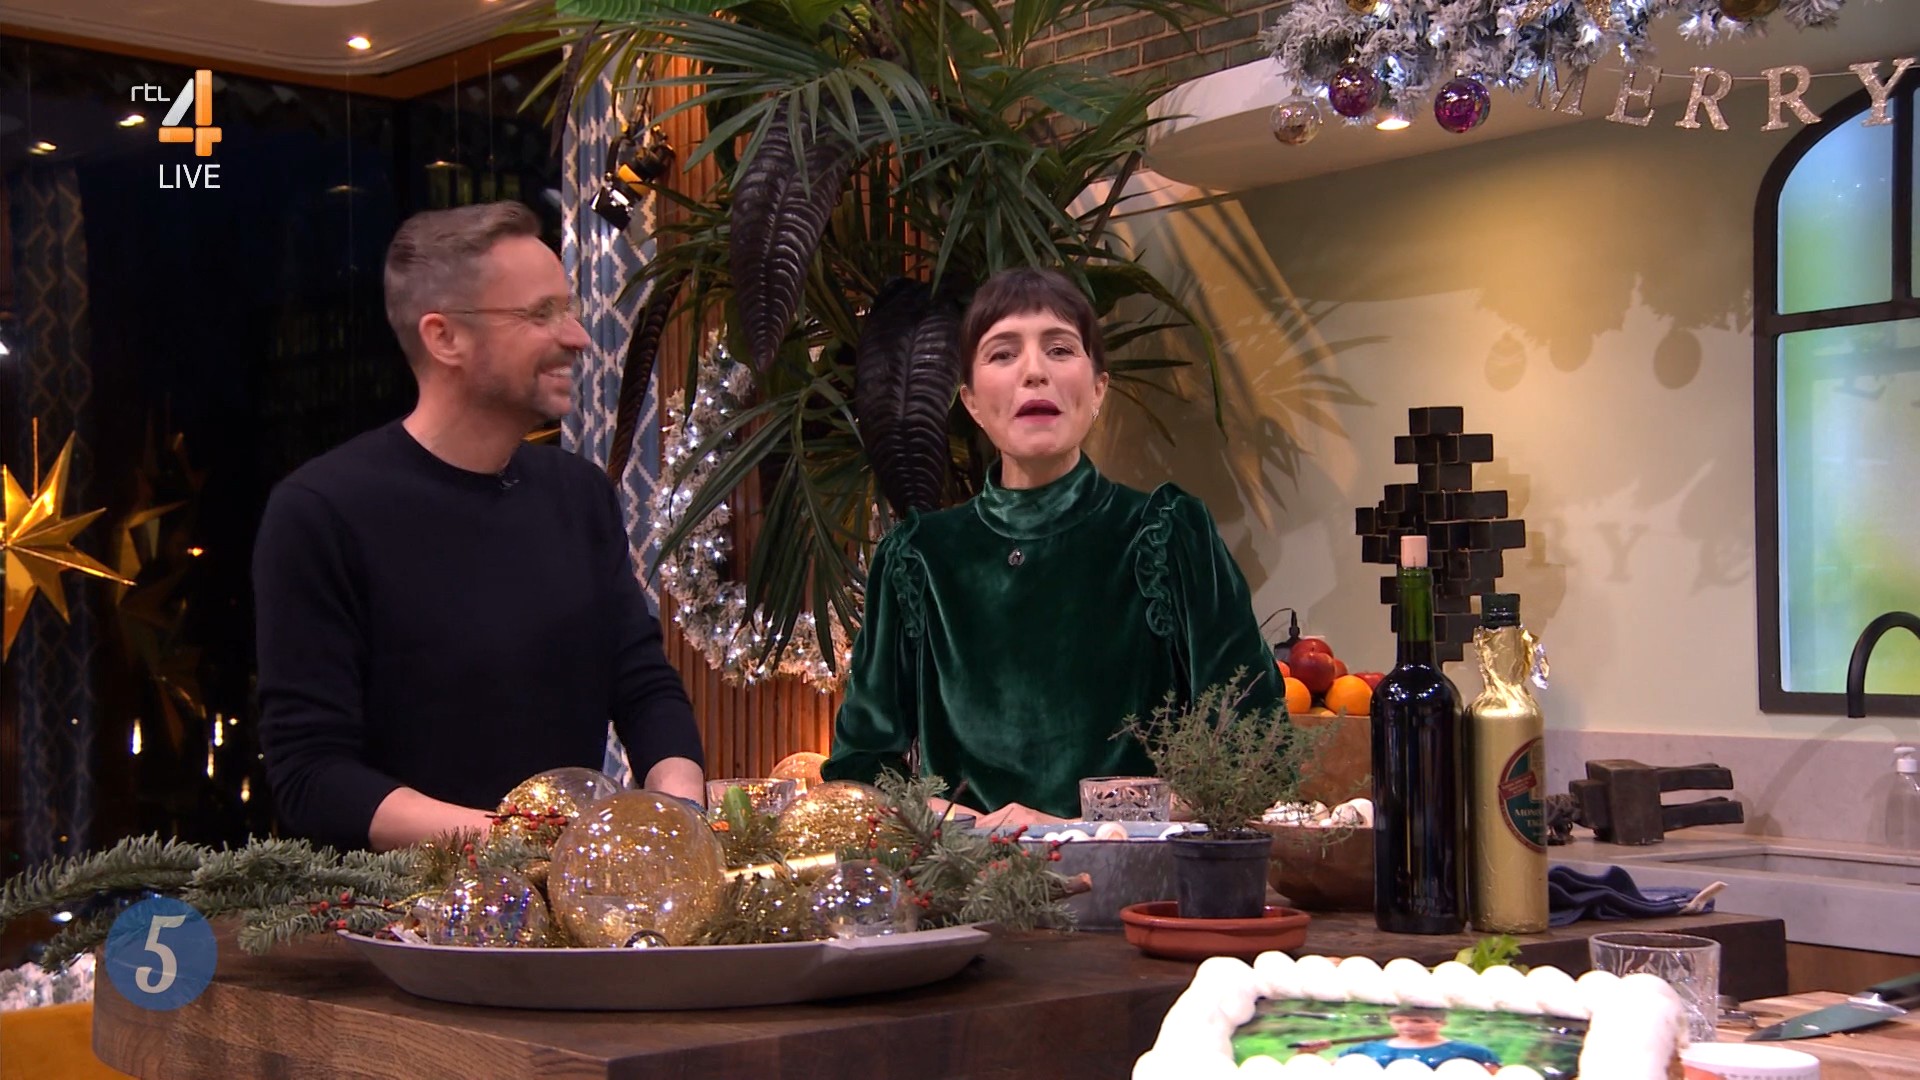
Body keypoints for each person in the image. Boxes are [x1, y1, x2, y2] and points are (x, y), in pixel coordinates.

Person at [254, 202, 704, 852]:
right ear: (445, 338)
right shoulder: (321, 512)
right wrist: (523, 846)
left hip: (575, 902)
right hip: (402, 909)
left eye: (569, 308)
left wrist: (681, 811)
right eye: (540, 314)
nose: (577, 337)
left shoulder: (580, 495)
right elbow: (313, 776)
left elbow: (642, 684)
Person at [820, 266, 1284, 827]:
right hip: (965, 876)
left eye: (1060, 349)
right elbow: (859, 772)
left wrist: (1084, 832)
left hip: (1136, 877)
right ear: (970, 400)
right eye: (1002, 353)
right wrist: (971, 827)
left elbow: (1256, 749)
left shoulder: (1168, 534)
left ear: (1098, 388)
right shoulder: (919, 558)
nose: (1034, 371)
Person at [1300, 1007, 1502, 1071]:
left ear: (1441, 1022)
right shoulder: (1365, 1050)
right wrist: (1308, 1054)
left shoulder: (1470, 1053)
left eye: (1418, 1021)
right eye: (1399, 1021)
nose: (1407, 1026)